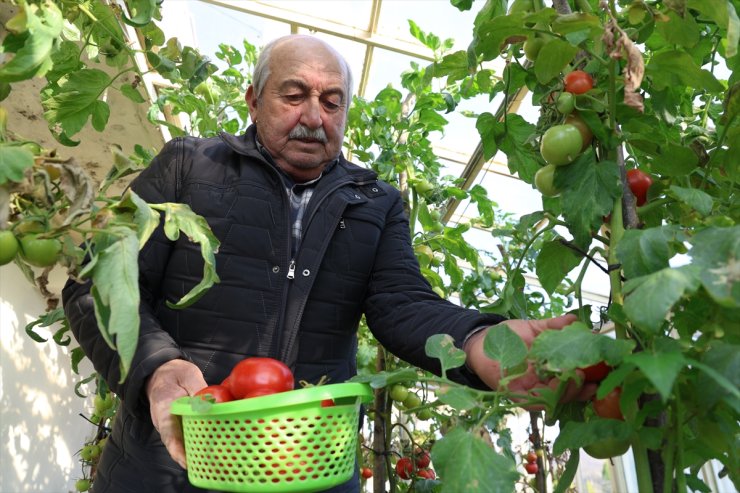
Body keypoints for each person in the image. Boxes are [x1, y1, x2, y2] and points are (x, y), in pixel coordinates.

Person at [62, 34, 584, 493]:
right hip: (167, 468)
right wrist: (157, 368)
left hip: (307, 472)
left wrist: (476, 341)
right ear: (253, 99)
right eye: (294, 95)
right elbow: (98, 284)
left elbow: (401, 304)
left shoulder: (375, 202)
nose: (314, 116)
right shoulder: (187, 166)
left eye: (332, 102)